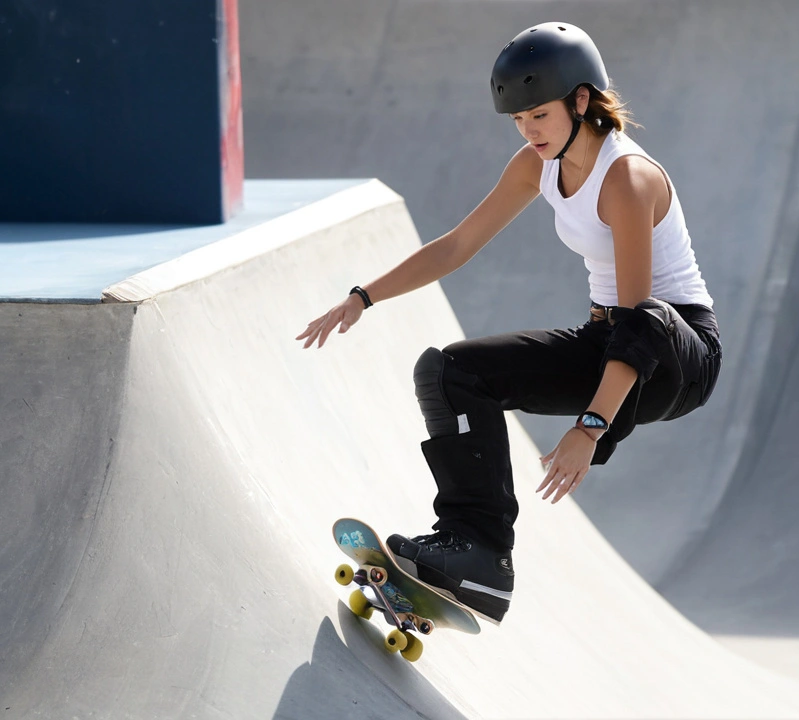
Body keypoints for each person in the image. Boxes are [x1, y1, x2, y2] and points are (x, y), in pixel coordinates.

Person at [296, 22, 721, 623]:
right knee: (450, 372)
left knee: (644, 314)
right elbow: (457, 244)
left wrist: (590, 426)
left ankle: (490, 538)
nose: (529, 131)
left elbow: (639, 323)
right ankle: (479, 551)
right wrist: (363, 296)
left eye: (539, 115)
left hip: (681, 354)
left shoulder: (628, 177)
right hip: (612, 341)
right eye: (518, 120)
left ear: (581, 99)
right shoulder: (535, 165)